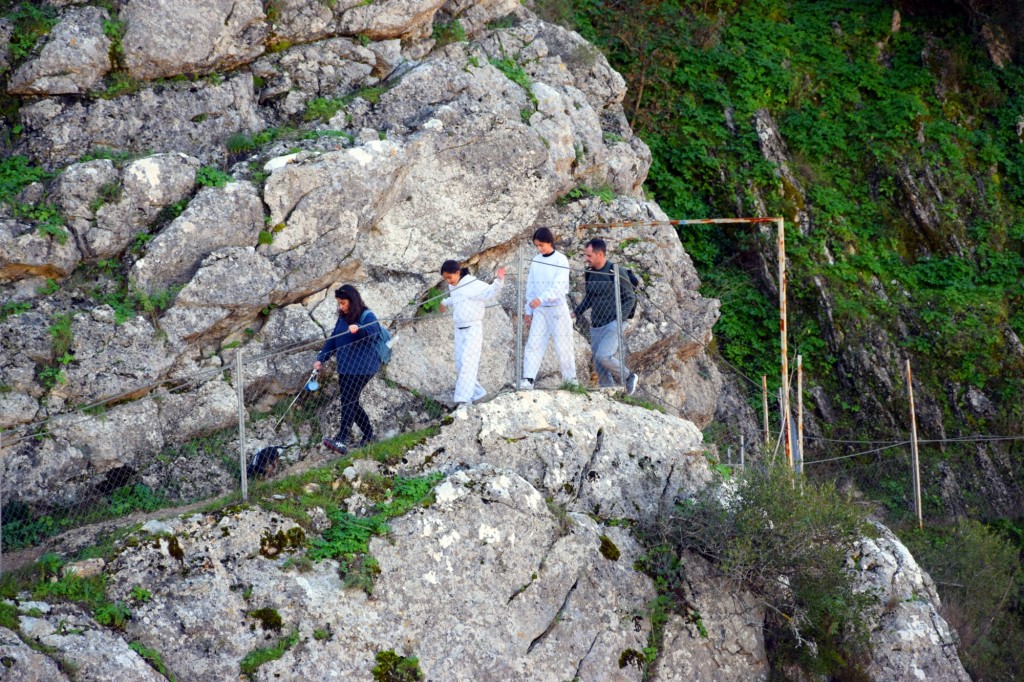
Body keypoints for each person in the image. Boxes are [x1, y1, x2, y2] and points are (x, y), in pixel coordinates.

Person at [314, 285, 381, 454]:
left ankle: (341, 439)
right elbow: (334, 339)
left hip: (363, 368)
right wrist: (321, 358)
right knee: (351, 401)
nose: (341, 307)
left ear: (353, 300)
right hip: (345, 368)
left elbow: (374, 333)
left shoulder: (366, 315)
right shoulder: (342, 318)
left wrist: (359, 330)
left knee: (348, 401)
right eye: (339, 303)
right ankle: (369, 436)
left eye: (343, 303)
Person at [573, 238, 639, 394]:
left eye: (589, 256)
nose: (586, 259)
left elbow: (631, 297)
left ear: (600, 254)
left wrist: (619, 319)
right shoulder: (589, 273)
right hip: (596, 324)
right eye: (585, 255)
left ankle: (628, 377)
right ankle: (609, 392)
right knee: (598, 363)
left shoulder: (615, 271)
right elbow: (589, 297)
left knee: (604, 356)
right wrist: (576, 312)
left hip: (613, 323)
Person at [439, 261, 506, 406]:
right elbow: (457, 298)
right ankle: (477, 393)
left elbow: (490, 291)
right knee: (460, 364)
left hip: (473, 328)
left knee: (468, 363)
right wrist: (444, 302)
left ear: (457, 272)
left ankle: (463, 400)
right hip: (459, 329)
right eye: (446, 279)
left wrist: (499, 280)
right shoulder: (453, 285)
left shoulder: (472, 284)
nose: (448, 281)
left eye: (450, 277)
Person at [519, 227, 576, 389]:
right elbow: (531, 286)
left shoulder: (561, 260)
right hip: (540, 310)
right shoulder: (536, 261)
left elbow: (560, 286)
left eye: (541, 245)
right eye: (536, 245)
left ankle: (570, 380)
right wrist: (528, 310)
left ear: (550, 242)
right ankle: (528, 379)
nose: (539, 248)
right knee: (533, 343)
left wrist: (541, 298)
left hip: (557, 308)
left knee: (563, 344)